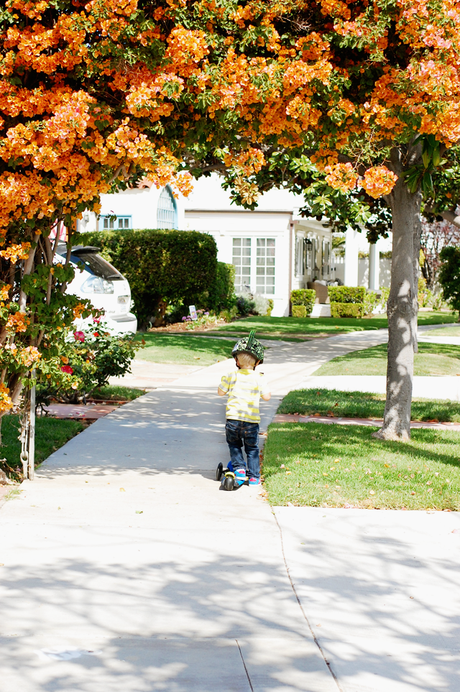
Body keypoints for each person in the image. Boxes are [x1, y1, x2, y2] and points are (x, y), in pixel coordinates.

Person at [217, 331, 271, 487]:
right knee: (252, 448)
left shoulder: (231, 376)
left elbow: (221, 392)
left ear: (236, 360)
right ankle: (254, 477)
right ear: (258, 362)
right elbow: (267, 397)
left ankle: (239, 469)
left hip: (233, 420)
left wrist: (224, 383)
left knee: (234, 445)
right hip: (251, 422)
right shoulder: (259, 378)